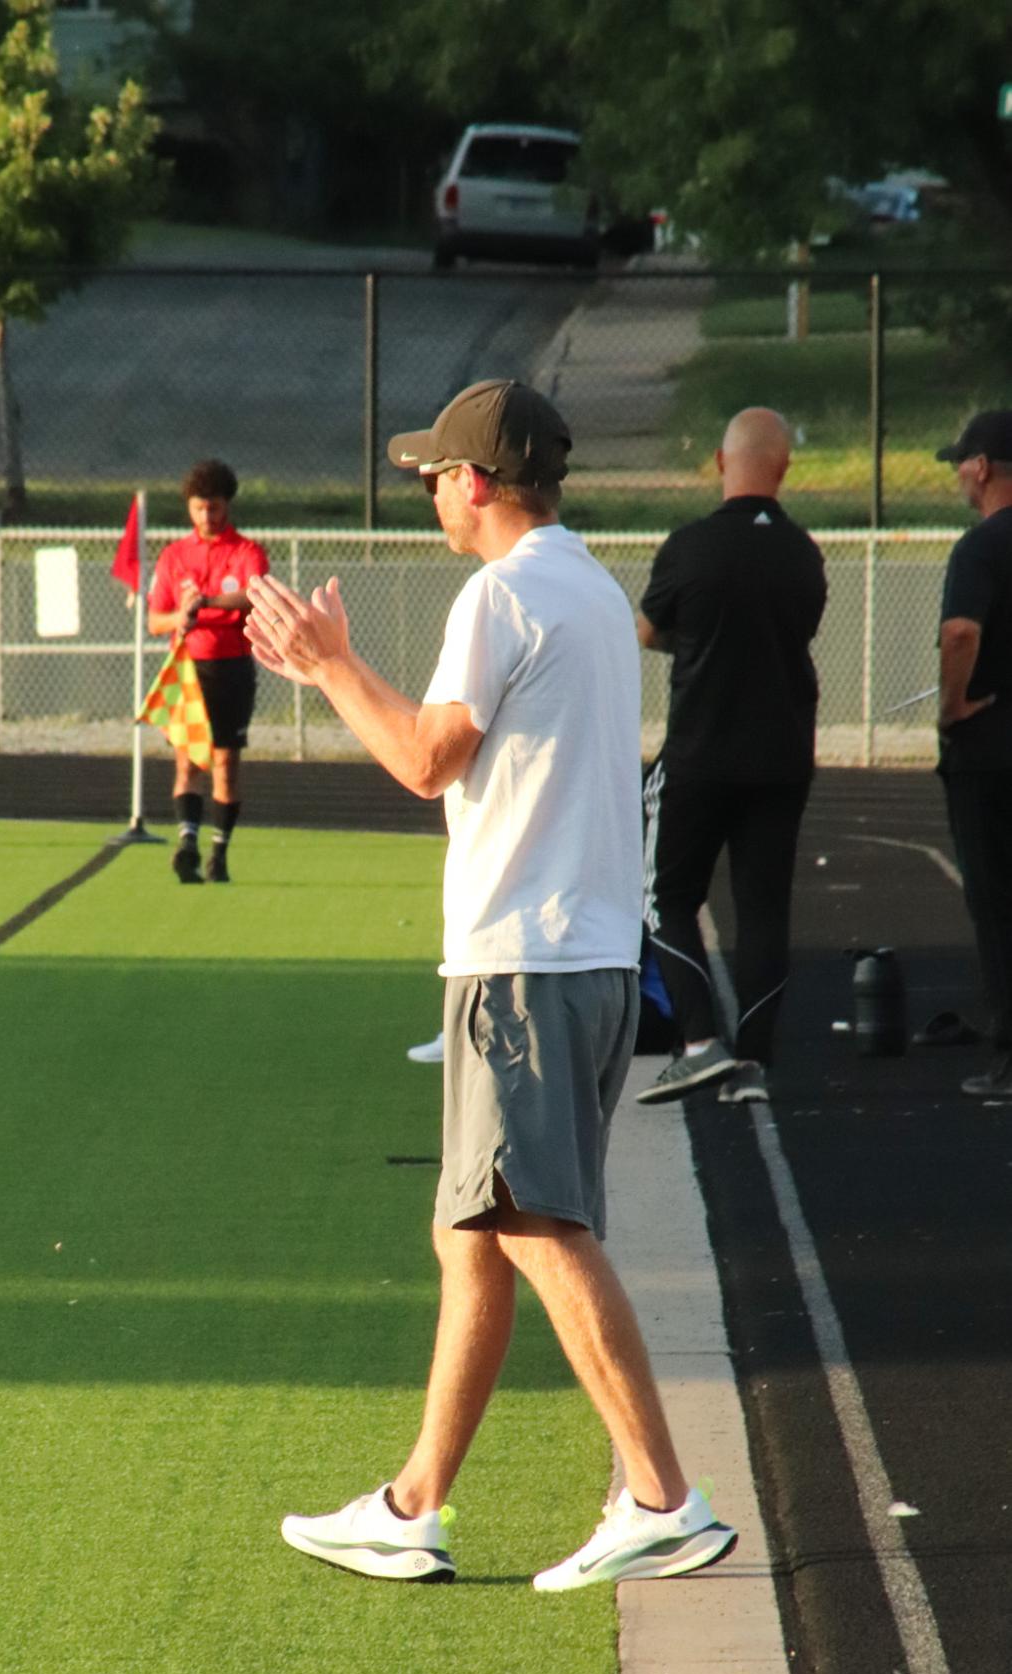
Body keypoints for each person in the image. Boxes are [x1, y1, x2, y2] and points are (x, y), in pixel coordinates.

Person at [245, 378, 737, 1591]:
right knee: (473, 1231)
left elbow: (423, 760)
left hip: (525, 962)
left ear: (474, 482)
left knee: (532, 1226)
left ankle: (661, 1497)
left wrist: (330, 667)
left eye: (432, 477)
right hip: (580, 960)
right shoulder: (582, 584)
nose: (427, 494)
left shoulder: (501, 594)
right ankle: (414, 1503)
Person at [634, 408, 826, 1107]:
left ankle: (697, 1041)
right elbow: (798, 630)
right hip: (781, 755)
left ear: (720, 460)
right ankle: (754, 1064)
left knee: (664, 895)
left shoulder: (690, 548)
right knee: (764, 909)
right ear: (784, 466)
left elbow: (649, 629)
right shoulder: (805, 553)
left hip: (699, 752)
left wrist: (693, 645)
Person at [934, 411, 1012, 1098]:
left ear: (983, 467)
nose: (959, 473)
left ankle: (1009, 1058)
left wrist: (953, 707)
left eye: (962, 462)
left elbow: (961, 633)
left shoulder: (981, 549)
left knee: (995, 900)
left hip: (992, 750)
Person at [148, 459, 268, 883]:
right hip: (188, 669)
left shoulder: (246, 552)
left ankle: (219, 851)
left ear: (226, 506)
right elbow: (155, 619)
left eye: (213, 509)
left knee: (225, 763)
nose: (206, 517)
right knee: (188, 762)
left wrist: (210, 603)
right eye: (198, 509)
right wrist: (179, 617)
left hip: (231, 667)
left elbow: (253, 597)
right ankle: (187, 845)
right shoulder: (175, 555)